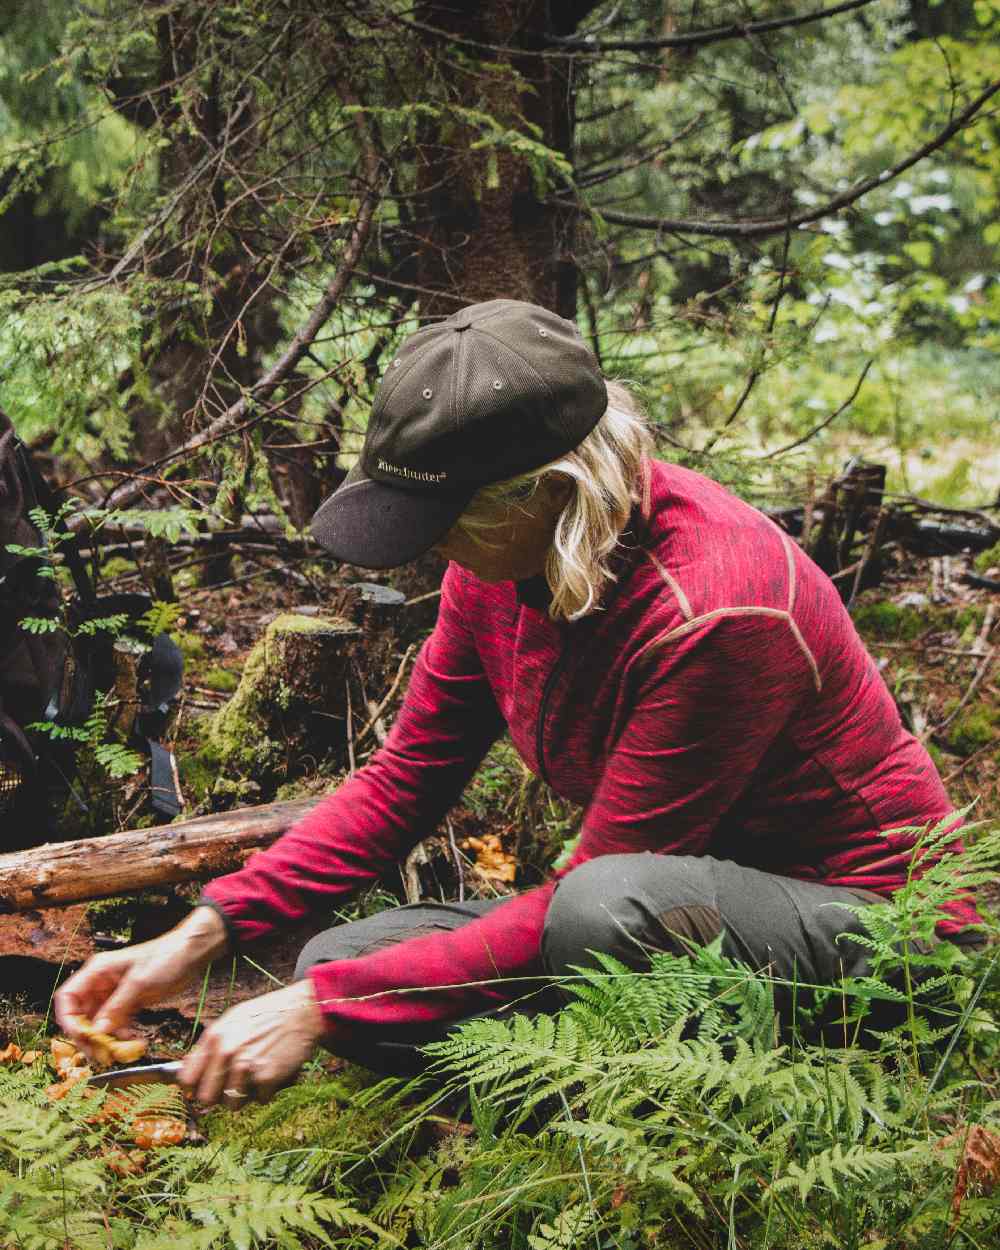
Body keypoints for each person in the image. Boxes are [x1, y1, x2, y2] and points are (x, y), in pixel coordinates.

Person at [55, 298, 980, 1105]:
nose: (428, 551)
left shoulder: (719, 612)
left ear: (546, 495)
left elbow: (613, 878)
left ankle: (723, 1099)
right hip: (681, 913)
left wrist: (325, 1013)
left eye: (445, 523)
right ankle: (599, 1076)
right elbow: (401, 783)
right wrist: (203, 935)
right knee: (336, 964)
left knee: (593, 910)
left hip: (878, 940)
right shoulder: (500, 565)